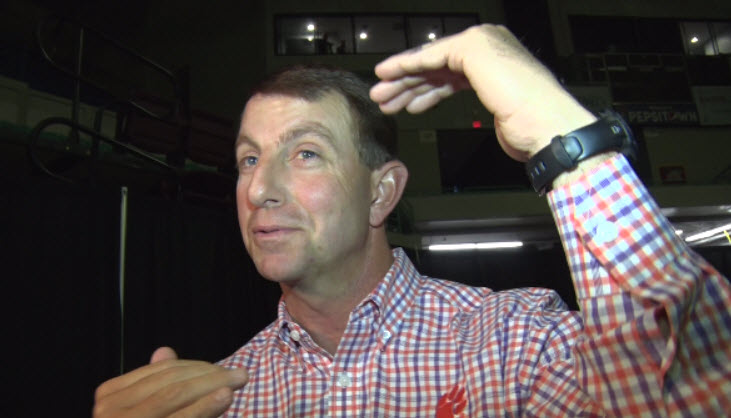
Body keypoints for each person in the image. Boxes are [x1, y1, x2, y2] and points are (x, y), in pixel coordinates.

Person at [93, 24, 731, 417]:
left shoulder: (514, 347)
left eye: (305, 153)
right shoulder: (222, 398)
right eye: (248, 160)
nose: (259, 188)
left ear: (382, 193)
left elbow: (698, 396)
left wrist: (562, 136)